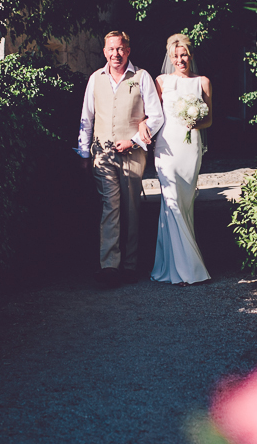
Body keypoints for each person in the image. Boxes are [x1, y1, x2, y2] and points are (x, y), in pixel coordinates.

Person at [77, 31, 164, 287]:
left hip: (133, 154)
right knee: (109, 207)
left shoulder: (141, 77)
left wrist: (134, 140)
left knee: (131, 209)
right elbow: (87, 118)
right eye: (111, 49)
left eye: (121, 49)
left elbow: (156, 117)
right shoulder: (95, 79)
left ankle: (130, 264)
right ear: (105, 52)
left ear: (128, 50)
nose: (116, 54)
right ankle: (109, 266)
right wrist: (83, 153)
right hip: (102, 155)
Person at [141, 34, 213, 286]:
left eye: (183, 55)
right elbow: (149, 112)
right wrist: (141, 125)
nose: (179, 60)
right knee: (170, 201)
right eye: (175, 56)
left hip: (191, 147)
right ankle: (188, 269)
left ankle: (170, 265)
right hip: (166, 147)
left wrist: (196, 121)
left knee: (184, 202)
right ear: (169, 58)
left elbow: (210, 120)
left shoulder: (203, 82)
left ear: (190, 55)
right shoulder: (160, 81)